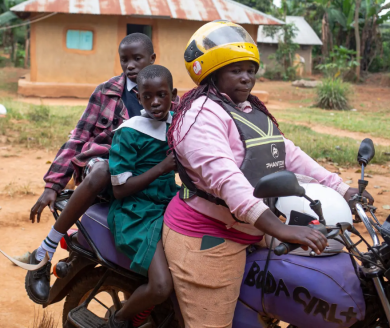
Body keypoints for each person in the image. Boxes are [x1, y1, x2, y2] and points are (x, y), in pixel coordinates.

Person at [163, 20, 373, 328]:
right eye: (236, 70)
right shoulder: (199, 117)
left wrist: (343, 189)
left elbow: (288, 153)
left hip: (255, 226)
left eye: (250, 70)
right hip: (209, 235)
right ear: (211, 72)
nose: (247, 78)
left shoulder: (249, 110)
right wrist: (281, 229)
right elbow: (226, 180)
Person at [25, 33, 157, 304]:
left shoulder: (162, 94)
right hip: (100, 168)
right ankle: (43, 252)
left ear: (153, 59)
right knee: (103, 168)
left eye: (137, 59)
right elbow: (79, 136)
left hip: (138, 177)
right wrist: (53, 185)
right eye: (124, 60)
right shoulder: (107, 91)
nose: (130, 65)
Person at [107, 64, 179, 328]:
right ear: (138, 98)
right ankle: (119, 320)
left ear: (173, 94)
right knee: (161, 286)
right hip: (135, 213)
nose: (155, 102)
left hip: (169, 205)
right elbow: (120, 189)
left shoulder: (178, 125)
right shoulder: (129, 132)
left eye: (162, 95)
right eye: (147, 96)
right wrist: (162, 167)